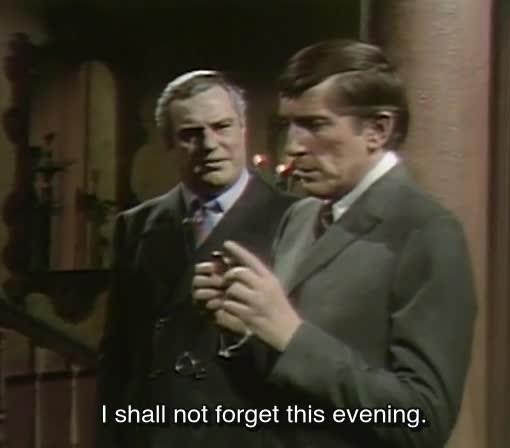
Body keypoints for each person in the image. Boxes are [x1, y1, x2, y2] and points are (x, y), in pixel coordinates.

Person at [193, 40, 477, 447]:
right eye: (289, 125)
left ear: (378, 130)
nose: (292, 147)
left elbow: (423, 420)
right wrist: (244, 326)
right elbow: (278, 386)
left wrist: (292, 336)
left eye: (315, 125)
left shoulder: (427, 233)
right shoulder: (300, 216)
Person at [95, 70, 295, 448]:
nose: (209, 145)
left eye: (222, 127)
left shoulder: (294, 219)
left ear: (243, 129)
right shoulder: (136, 225)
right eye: (191, 134)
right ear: (169, 143)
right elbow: (118, 354)